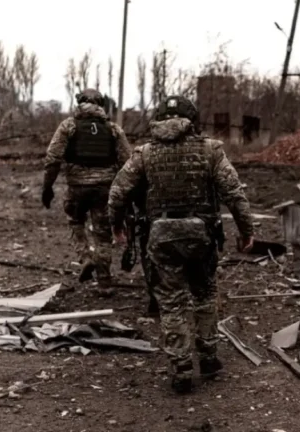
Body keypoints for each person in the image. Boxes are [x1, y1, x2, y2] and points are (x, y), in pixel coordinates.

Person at [108, 95, 254, 394]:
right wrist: (245, 230)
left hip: (161, 236)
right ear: (192, 121)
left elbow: (117, 193)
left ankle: (181, 368)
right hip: (202, 234)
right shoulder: (211, 150)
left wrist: (116, 226)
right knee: (204, 294)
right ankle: (209, 357)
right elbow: (234, 194)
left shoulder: (144, 153)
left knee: (171, 303)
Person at [42, 88, 132, 289]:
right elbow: (128, 162)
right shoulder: (113, 129)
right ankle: (105, 282)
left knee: (75, 222)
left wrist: (47, 187)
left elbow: (53, 159)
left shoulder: (68, 126)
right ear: (101, 105)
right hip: (104, 189)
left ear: (79, 103)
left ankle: (85, 258)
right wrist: (126, 192)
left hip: (77, 188)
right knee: (102, 234)